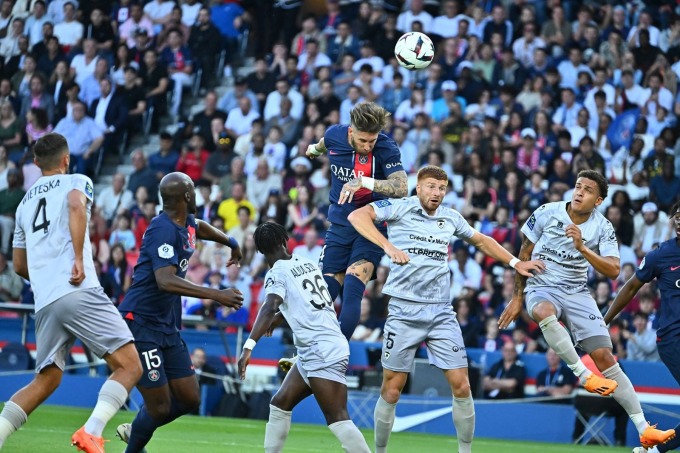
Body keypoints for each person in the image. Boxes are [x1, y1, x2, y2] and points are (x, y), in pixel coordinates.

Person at [347, 165, 544, 453]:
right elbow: (357, 215)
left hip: (440, 312)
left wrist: (516, 263)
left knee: (462, 385)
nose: (436, 193)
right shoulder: (400, 207)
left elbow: (481, 240)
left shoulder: (450, 217)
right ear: (418, 187)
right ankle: (380, 451)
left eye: (441, 188)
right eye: (431, 187)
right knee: (391, 389)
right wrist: (388, 247)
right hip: (403, 310)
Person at [499, 170, 675, 449]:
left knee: (605, 355)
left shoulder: (602, 227)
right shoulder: (546, 212)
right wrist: (518, 297)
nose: (579, 192)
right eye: (577, 186)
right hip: (542, 285)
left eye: (587, 190)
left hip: (578, 293)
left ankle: (644, 429)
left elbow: (614, 270)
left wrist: (582, 247)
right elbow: (524, 252)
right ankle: (584, 375)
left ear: (598, 200)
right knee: (544, 311)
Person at [0, 133, 143, 452]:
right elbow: (76, 205)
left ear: (36, 163)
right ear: (66, 159)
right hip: (78, 288)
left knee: (47, 379)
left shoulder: (23, 205)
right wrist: (77, 259)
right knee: (130, 364)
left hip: (46, 300)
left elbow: (20, 264)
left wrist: (44, 276)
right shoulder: (77, 180)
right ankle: (91, 431)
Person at [115, 172, 244, 453]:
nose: (196, 194)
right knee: (159, 407)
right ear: (186, 196)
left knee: (189, 399)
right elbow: (165, 280)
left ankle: (137, 430)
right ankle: (135, 442)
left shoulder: (184, 221)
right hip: (141, 323)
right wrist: (217, 294)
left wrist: (230, 242)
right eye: (194, 190)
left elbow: (200, 226)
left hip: (167, 325)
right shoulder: (162, 229)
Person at [238, 222, 371, 453]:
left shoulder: (276, 272)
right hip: (316, 349)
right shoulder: (305, 262)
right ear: (284, 241)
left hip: (322, 350)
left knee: (338, 418)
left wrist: (248, 346)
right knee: (279, 404)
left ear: (260, 251)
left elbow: (269, 306)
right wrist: (283, 315)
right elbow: (303, 301)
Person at [302, 101, 408, 347]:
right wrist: (314, 151)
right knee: (326, 293)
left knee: (352, 288)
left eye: (372, 140)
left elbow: (401, 188)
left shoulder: (385, 147)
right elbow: (321, 145)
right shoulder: (334, 135)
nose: (368, 146)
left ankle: (335, 353)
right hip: (339, 225)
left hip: (371, 227)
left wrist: (365, 182)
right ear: (351, 131)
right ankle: (311, 352)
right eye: (363, 140)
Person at [605, 200, 680, 453]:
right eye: (676, 216)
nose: (679, 220)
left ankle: (654, 448)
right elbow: (631, 287)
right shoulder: (661, 255)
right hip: (673, 339)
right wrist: (606, 319)